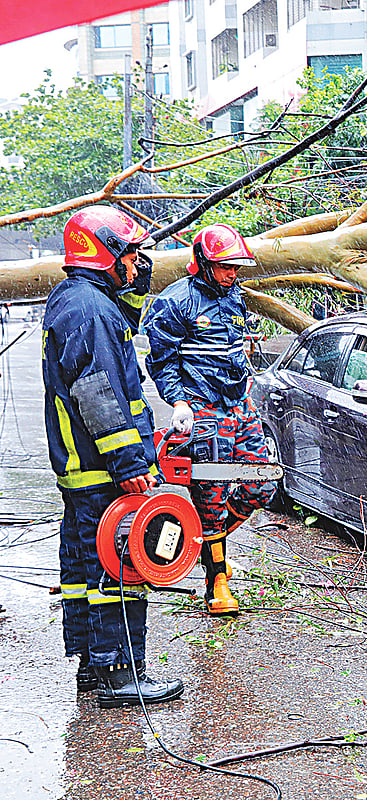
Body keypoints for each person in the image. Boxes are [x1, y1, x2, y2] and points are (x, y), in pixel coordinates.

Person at [43, 205, 185, 708]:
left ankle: (93, 663)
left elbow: (117, 334)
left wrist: (135, 288)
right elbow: (99, 393)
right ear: (104, 251)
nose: (137, 261)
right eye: (130, 253)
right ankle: (121, 673)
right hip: (103, 468)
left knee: (87, 564)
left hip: (83, 467)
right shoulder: (90, 310)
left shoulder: (80, 300)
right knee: (118, 567)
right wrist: (128, 464)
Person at [144, 224, 277, 617]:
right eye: (224, 267)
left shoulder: (234, 296)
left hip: (239, 404)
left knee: (261, 484)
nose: (231, 274)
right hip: (202, 410)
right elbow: (161, 361)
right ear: (201, 263)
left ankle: (205, 546)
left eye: (235, 267)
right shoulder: (175, 302)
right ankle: (217, 580)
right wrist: (178, 402)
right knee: (212, 495)